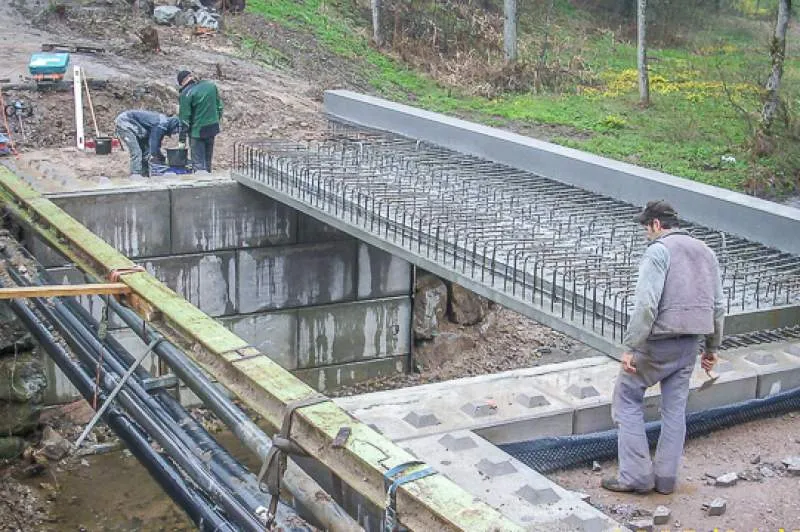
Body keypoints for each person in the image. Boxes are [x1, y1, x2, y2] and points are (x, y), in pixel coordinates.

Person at [602, 200, 724, 495]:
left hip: (657, 344)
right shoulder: (706, 252)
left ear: (656, 224)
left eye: (646, 227)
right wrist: (711, 349)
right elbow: (718, 306)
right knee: (675, 411)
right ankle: (667, 480)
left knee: (627, 400)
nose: (646, 233)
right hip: (689, 346)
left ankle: (636, 477)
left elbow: (646, 304)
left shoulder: (658, 250)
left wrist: (630, 346)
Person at [177, 70, 223, 172]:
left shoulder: (186, 94)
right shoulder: (210, 86)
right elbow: (220, 107)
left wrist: (182, 140)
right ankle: (209, 181)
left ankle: (201, 184)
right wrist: (215, 120)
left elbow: (184, 120)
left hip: (197, 133)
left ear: (182, 82)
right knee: (208, 162)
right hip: (212, 129)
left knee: (198, 165)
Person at [114, 110, 180, 177]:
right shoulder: (161, 124)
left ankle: (144, 174)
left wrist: (158, 155)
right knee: (137, 152)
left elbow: (153, 145)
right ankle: (136, 174)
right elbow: (154, 145)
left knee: (146, 151)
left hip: (139, 127)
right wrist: (160, 159)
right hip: (125, 122)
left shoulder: (163, 123)